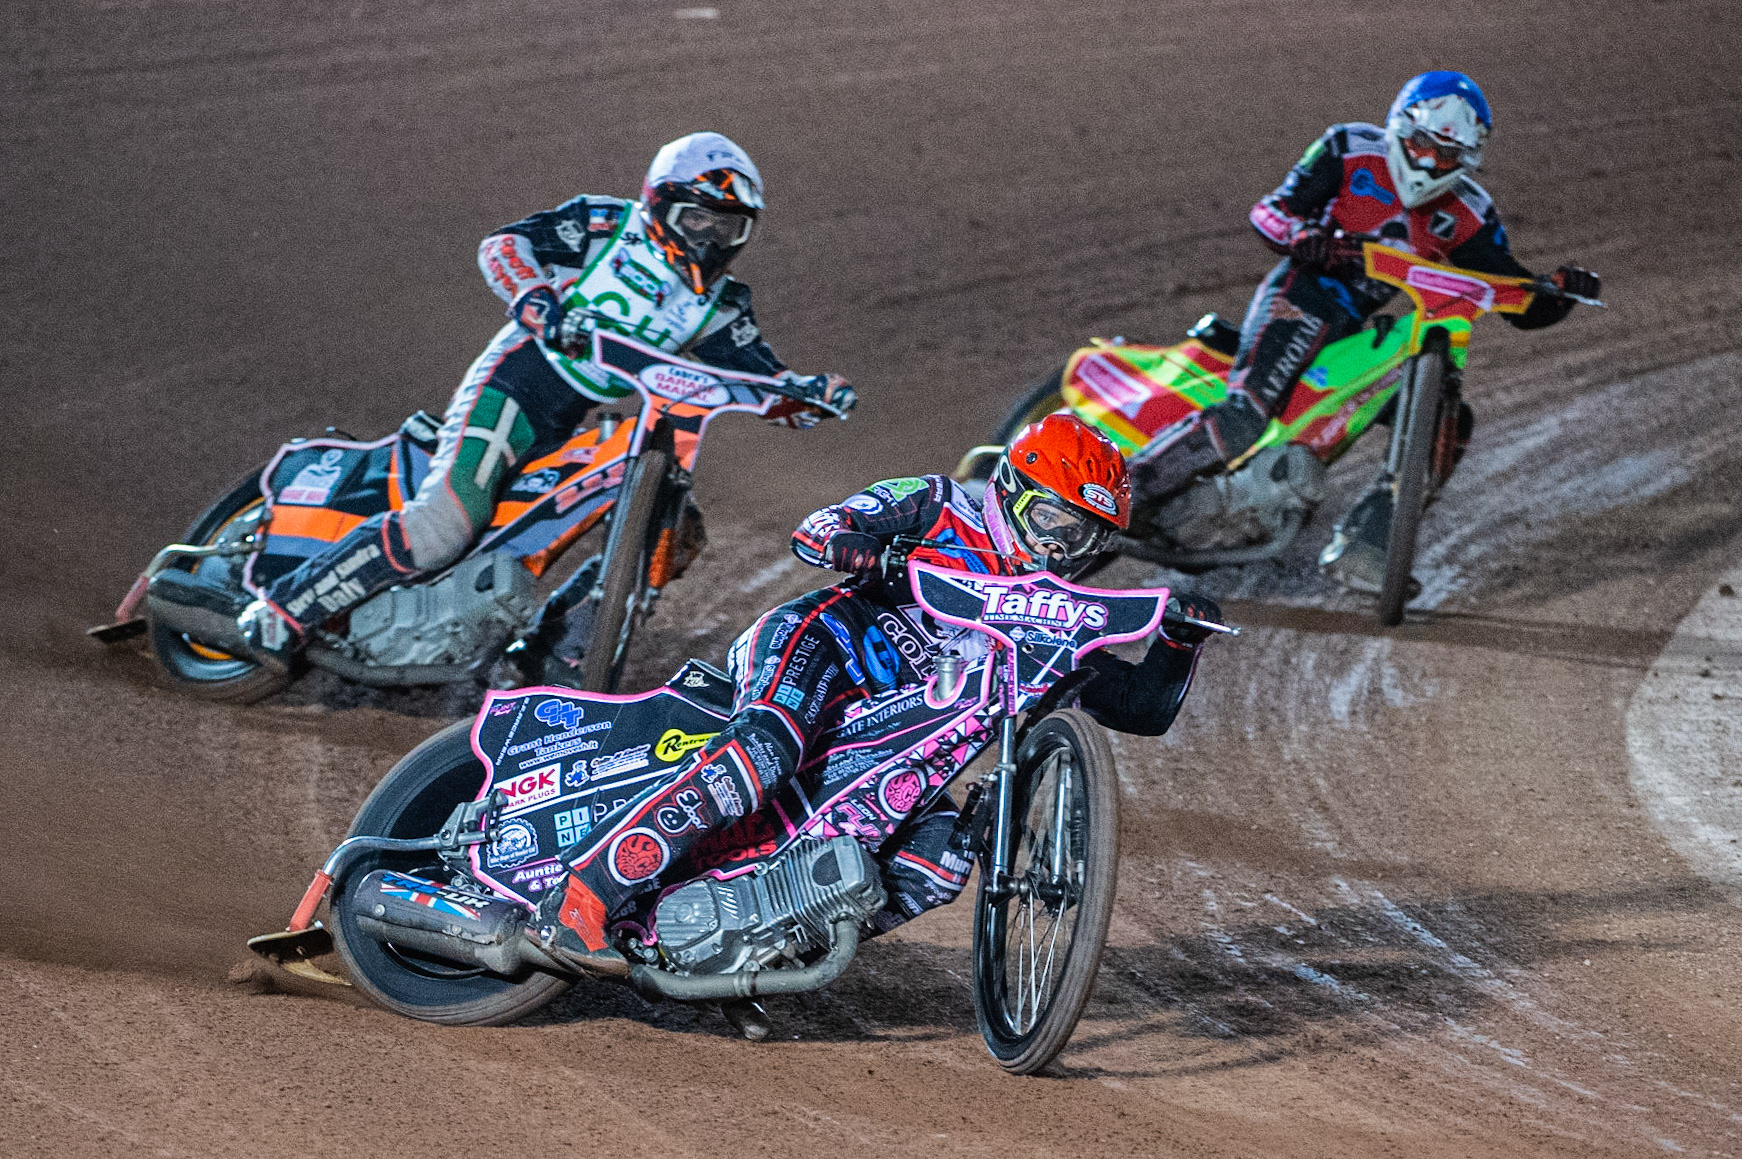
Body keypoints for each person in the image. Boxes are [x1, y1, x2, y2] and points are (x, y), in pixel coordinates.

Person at [528, 413, 1221, 976]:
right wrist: (864, 547)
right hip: (822, 650)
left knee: (941, 861)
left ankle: (747, 952)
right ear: (1012, 488)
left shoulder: (1050, 624)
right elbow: (819, 529)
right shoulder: (942, 503)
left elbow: (1141, 706)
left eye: (1085, 538)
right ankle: (586, 890)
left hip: (889, 749)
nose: (1062, 552)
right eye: (1054, 524)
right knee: (767, 751)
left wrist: (1179, 641)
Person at [233, 131, 856, 669]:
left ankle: (546, 652)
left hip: (577, 422)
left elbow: (762, 377)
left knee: (672, 529)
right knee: (447, 523)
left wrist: (807, 397)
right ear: (661, 203)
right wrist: (536, 299)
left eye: (728, 227)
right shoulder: (604, 227)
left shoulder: (720, 306)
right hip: (513, 387)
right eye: (699, 218)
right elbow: (503, 247)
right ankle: (284, 608)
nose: (710, 238)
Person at [1127, 71, 1601, 592]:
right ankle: (1125, 493)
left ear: (1464, 160)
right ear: (1400, 128)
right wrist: (1302, 235)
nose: (1427, 162)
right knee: (1244, 414)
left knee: (1449, 422)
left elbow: (1513, 295)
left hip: (1360, 331)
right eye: (1422, 143)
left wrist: (1558, 291)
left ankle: (1370, 546)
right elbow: (1269, 211)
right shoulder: (1349, 148)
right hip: (1302, 296)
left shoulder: (1469, 214)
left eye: (1445, 155)